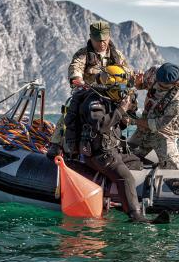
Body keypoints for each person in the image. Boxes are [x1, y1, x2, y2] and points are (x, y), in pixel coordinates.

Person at [63, 65, 149, 222]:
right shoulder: (94, 102)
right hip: (100, 154)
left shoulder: (109, 98)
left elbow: (119, 126)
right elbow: (101, 125)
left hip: (111, 150)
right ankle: (135, 215)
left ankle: (108, 191)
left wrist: (127, 109)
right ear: (111, 85)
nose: (123, 90)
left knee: (137, 162)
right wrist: (121, 110)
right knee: (126, 178)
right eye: (121, 86)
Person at [47, 20, 132, 158]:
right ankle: (56, 143)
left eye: (104, 39)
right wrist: (78, 80)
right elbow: (76, 67)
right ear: (91, 38)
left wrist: (126, 86)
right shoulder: (83, 54)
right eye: (98, 40)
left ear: (109, 37)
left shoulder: (117, 55)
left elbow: (126, 73)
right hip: (88, 94)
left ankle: (120, 144)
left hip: (111, 95)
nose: (102, 43)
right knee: (70, 111)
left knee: (126, 114)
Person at [128, 63, 179, 170]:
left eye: (163, 86)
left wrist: (133, 121)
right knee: (125, 154)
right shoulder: (154, 72)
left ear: (175, 83)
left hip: (165, 133)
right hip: (144, 128)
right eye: (158, 83)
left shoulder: (178, 100)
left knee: (174, 168)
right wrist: (137, 82)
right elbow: (140, 85)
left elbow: (157, 125)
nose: (158, 86)